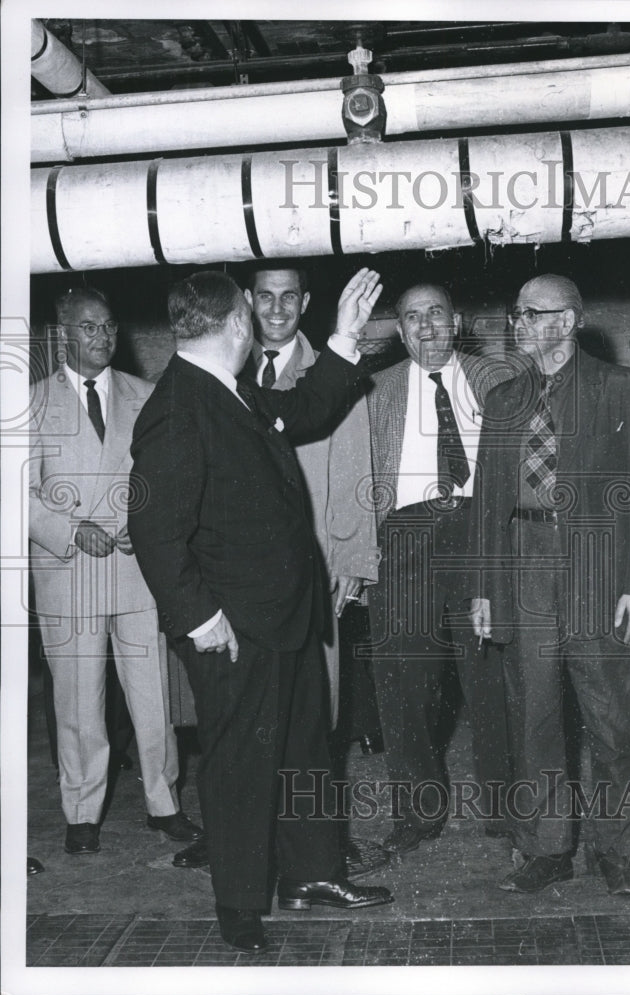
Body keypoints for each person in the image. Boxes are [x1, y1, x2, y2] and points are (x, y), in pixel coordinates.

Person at [128, 269, 392, 954]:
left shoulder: (229, 389)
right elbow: (154, 531)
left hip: (285, 616)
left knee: (304, 750)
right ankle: (240, 906)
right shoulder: (178, 406)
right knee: (242, 765)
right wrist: (199, 619)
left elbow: (303, 411)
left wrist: (342, 339)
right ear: (238, 322)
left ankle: (312, 874)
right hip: (234, 629)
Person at [469, 274, 630, 896]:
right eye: (518, 313)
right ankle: (546, 847)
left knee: (614, 714)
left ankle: (621, 851)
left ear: (569, 320)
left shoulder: (620, 387)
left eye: (532, 313)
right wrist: (485, 588)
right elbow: (488, 502)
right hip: (524, 560)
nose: (520, 324)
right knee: (533, 713)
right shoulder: (504, 397)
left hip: (598, 565)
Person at [29, 287, 200, 856]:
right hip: (69, 573)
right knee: (78, 702)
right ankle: (82, 812)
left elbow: (171, 477)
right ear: (63, 335)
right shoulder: (30, 404)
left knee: (153, 697)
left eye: (108, 326)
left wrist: (146, 523)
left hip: (135, 569)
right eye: (88, 327)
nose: (102, 337)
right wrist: (71, 528)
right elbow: (15, 493)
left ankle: (164, 802)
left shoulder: (145, 394)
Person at [367, 283, 514, 855]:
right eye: (413, 317)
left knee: (492, 676)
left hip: (479, 530)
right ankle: (417, 810)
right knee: (403, 683)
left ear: (456, 321)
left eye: (436, 313)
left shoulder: (497, 379)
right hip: (403, 535)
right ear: (400, 330)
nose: (426, 326)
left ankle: (505, 806)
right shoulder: (374, 389)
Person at [241, 264, 380, 727]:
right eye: (266, 295)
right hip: (240, 568)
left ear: (304, 303)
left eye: (289, 296)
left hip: (313, 565)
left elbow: (355, 472)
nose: (277, 308)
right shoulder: (223, 371)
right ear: (248, 300)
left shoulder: (335, 372)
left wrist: (353, 558)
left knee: (316, 702)